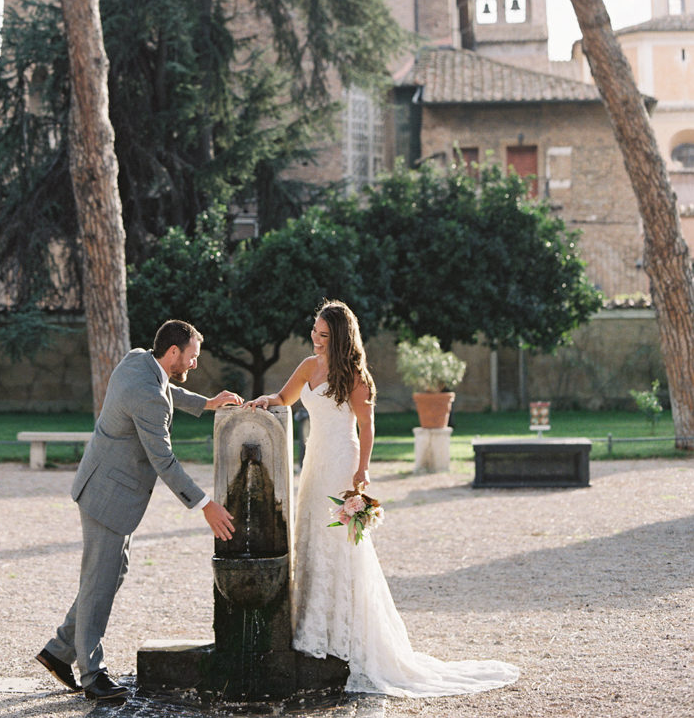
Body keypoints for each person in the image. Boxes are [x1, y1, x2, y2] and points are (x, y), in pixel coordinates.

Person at [246, 299, 520, 698]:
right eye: (315, 332)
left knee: (342, 546)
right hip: (313, 464)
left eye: (324, 335)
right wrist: (262, 402)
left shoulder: (355, 376)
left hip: (341, 464)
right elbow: (284, 399)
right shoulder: (307, 366)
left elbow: (367, 426)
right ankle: (312, 627)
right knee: (310, 538)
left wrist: (362, 471)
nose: (316, 339)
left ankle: (347, 634)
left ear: (339, 337)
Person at [37, 319, 243, 701]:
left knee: (110, 573)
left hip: (103, 486)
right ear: (173, 353)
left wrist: (207, 403)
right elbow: (164, 460)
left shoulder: (138, 361)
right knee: (100, 581)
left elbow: (165, 391)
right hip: (108, 496)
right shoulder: (146, 392)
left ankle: (59, 650)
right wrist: (204, 504)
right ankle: (92, 676)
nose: (195, 365)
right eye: (192, 358)